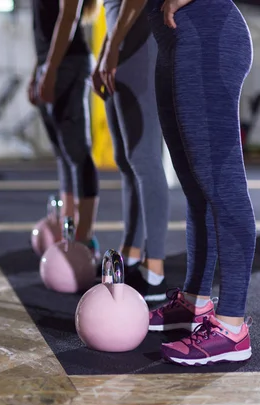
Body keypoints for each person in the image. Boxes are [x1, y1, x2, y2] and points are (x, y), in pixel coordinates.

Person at [147, 0, 255, 365]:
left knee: (223, 188)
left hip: (208, 35)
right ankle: (195, 302)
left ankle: (231, 326)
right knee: (197, 189)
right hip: (174, 42)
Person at [91, 0, 169, 301]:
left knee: (145, 158)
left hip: (138, 44)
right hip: (120, 46)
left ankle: (156, 271)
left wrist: (112, 48)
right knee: (126, 160)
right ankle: (132, 252)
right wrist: (104, 54)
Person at [28, 0, 102, 260]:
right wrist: (36, 72)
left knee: (77, 151)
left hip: (67, 63)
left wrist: (50, 70)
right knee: (63, 153)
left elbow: (68, 17)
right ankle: (67, 228)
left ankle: (84, 238)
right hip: (50, 64)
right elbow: (44, 31)